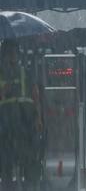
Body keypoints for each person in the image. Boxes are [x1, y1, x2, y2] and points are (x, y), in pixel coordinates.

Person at [0, 40, 42, 190]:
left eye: (15, 52)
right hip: (6, 124)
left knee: (30, 161)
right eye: (10, 52)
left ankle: (29, 185)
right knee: (6, 164)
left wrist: (38, 118)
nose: (13, 55)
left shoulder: (26, 72)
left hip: (25, 123)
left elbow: (35, 94)